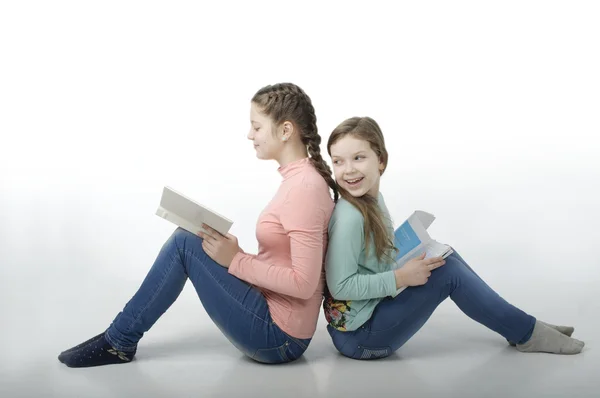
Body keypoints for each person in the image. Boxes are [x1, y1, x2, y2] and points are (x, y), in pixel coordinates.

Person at [57, 83, 337, 367]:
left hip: (278, 338)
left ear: (286, 131)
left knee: (184, 243)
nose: (250, 135)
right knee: (192, 237)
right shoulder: (300, 181)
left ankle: (117, 341)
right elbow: (285, 263)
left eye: (257, 127)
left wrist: (237, 261)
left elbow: (303, 284)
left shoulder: (304, 187)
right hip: (272, 317)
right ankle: (117, 338)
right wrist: (236, 256)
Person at [322, 116, 585, 359]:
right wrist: (400, 277)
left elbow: (371, 260)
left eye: (358, 158)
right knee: (448, 273)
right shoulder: (349, 218)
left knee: (444, 255)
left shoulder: (371, 198)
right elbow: (340, 287)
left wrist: (409, 259)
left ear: (381, 160)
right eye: (338, 161)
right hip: (358, 338)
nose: (348, 170)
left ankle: (521, 325)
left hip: (369, 314)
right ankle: (527, 332)